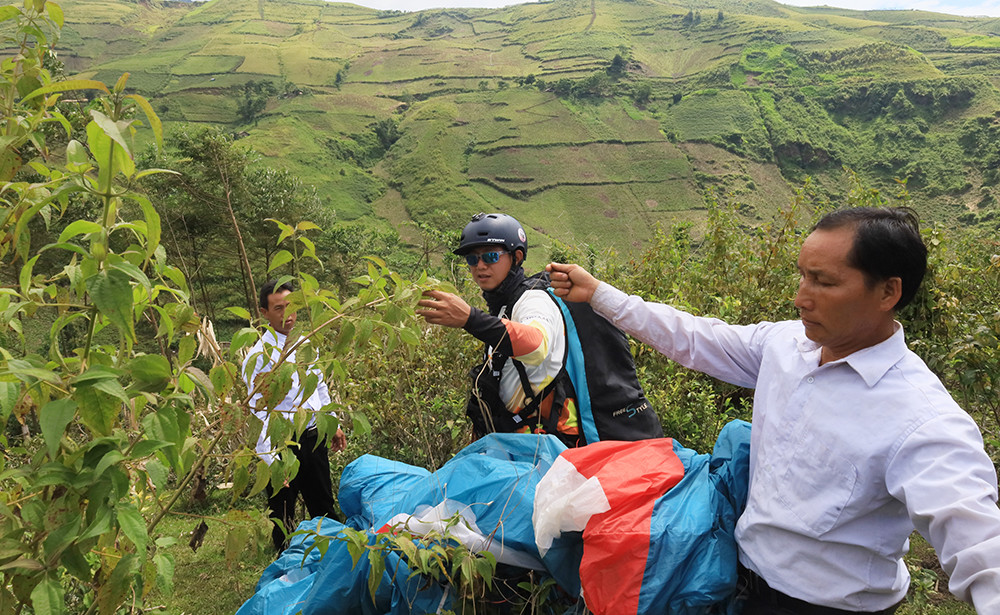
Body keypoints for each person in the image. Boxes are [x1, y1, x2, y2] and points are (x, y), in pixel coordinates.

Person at [547, 207, 1000, 614]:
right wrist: (601, 295)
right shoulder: (789, 346)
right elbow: (696, 338)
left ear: (888, 292)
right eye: (803, 276)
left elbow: (978, 538)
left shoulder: (921, 418)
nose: (802, 297)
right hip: (744, 577)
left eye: (823, 282)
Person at [417, 212, 662, 447]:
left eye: (490, 256)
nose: (480, 266)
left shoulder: (533, 299)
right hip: (522, 440)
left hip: (548, 444)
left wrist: (469, 318)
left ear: (517, 257)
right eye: (472, 259)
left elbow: (536, 345)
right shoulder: (504, 305)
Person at [241, 279, 346, 553]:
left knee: (323, 506)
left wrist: (331, 423)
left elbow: (319, 385)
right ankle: (286, 572)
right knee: (283, 516)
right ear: (264, 313)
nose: (286, 314)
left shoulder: (306, 344)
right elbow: (259, 414)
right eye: (278, 308)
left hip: (313, 438)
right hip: (282, 445)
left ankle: (334, 561)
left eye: (291, 306)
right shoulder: (260, 357)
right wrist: (272, 461)